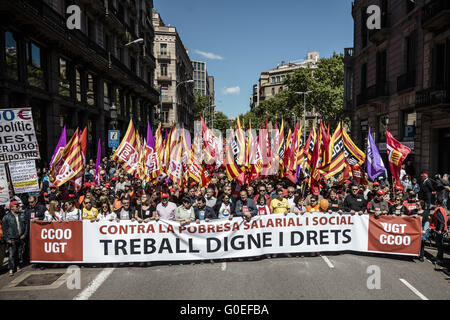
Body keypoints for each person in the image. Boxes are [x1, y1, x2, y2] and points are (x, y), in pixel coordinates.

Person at [2, 201, 27, 276]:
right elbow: (4, 229)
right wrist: (7, 239)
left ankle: (18, 265)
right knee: (11, 254)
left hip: (20, 237)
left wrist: (24, 234)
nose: (18, 207)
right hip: (11, 238)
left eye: (18, 206)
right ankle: (11, 268)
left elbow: (26, 225)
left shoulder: (22, 215)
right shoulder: (6, 217)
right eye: (16, 206)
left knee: (19, 253)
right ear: (12, 207)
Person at [429, 198, 448, 266]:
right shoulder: (442, 209)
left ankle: (439, 259)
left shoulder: (438, 210)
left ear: (436, 202)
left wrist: (440, 230)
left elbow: (441, 221)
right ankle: (438, 257)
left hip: (439, 230)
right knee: (439, 245)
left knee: (439, 245)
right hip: (441, 229)